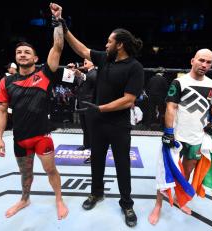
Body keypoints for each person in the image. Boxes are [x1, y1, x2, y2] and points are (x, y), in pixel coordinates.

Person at [51, 4, 144, 227]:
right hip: (99, 122)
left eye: (110, 42)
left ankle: (127, 203)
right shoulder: (105, 59)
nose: (106, 44)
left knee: (123, 164)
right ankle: (96, 193)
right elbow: (82, 49)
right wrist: (62, 24)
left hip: (119, 124)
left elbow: (129, 99)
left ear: (120, 45)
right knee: (96, 161)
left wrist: (102, 108)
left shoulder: (135, 67)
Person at [0, 3, 68, 219]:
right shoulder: (6, 82)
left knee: (50, 170)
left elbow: (58, 46)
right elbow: (1, 109)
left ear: (35, 58)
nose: (22, 54)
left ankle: (59, 199)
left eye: (27, 52)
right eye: (19, 52)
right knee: (25, 174)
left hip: (41, 136)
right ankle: (24, 199)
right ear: (16, 58)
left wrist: (57, 20)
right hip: (20, 138)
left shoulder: (45, 73)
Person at [148, 48, 212, 225]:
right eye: (201, 60)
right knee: (164, 172)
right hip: (176, 137)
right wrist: (168, 132)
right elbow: (171, 107)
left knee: (186, 173)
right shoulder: (179, 82)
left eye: (209, 62)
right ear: (192, 61)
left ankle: (182, 200)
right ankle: (158, 205)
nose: (204, 65)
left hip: (197, 138)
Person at [68, 59, 97, 164]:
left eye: (87, 59)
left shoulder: (95, 72)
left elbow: (92, 79)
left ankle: (95, 155)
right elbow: (70, 81)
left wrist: (79, 73)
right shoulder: (85, 73)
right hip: (82, 104)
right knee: (85, 127)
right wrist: (71, 71)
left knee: (92, 130)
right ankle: (87, 144)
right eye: (84, 59)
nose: (84, 60)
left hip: (90, 105)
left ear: (93, 62)